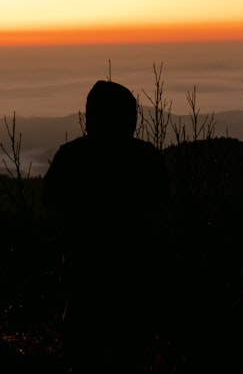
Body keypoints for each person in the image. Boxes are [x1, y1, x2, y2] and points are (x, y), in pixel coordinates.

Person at [42, 80, 170, 372]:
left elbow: (50, 200)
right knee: (130, 354)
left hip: (85, 271)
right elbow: (161, 203)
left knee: (83, 354)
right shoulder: (146, 157)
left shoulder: (71, 155)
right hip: (134, 273)